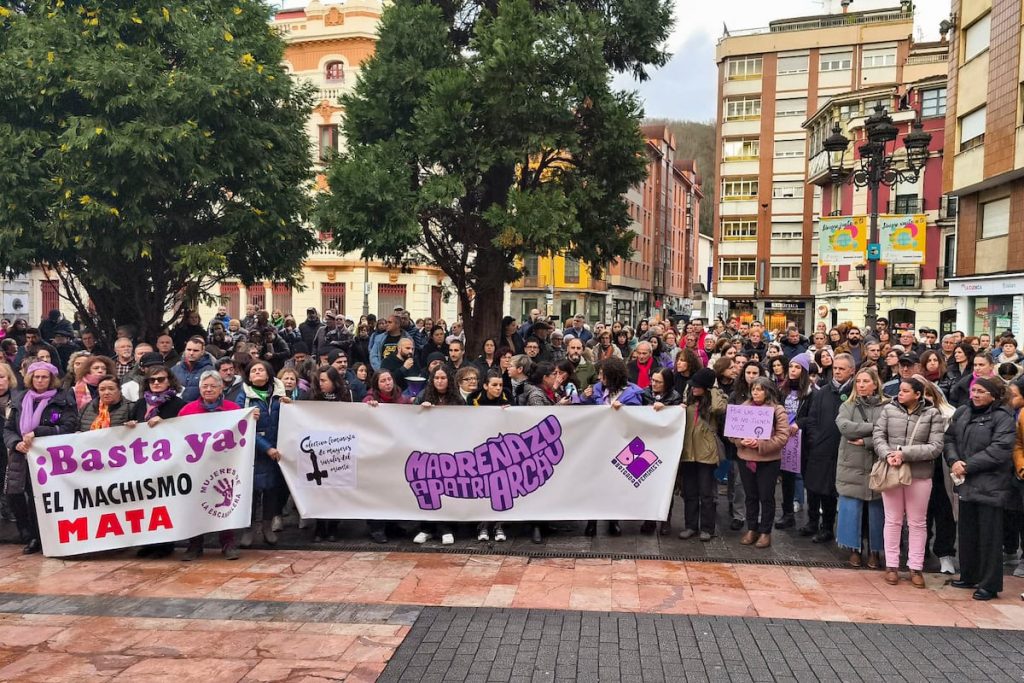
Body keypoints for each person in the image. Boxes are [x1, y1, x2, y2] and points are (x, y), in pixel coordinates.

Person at [943, 376, 1015, 600]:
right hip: (965, 482)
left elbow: (1000, 449)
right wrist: (954, 461)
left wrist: (968, 466)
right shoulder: (963, 412)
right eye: (974, 390)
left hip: (990, 485)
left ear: (993, 395)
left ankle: (990, 584)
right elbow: (949, 439)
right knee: (967, 533)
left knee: (989, 536)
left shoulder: (1002, 417)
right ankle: (969, 574)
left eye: (981, 391)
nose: (975, 395)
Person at [873, 377, 946, 588]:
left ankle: (915, 566)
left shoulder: (932, 414)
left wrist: (904, 453)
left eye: (905, 391)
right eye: (900, 390)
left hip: (919, 473)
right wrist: (888, 454)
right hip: (892, 470)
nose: (900, 394)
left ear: (918, 394)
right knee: (893, 520)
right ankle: (892, 565)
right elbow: (879, 435)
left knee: (917, 521)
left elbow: (935, 446)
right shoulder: (888, 410)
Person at [3, 362, 77, 554]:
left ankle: (44, 537)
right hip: (22, 457)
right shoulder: (21, 399)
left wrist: (38, 431)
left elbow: (69, 425)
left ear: (51, 379)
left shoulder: (62, 399)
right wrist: (15, 442)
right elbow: (9, 428)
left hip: (49, 459)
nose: (40, 380)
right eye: (36, 376)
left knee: (41, 500)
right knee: (17, 496)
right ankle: (30, 535)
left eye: (44, 377)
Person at [176, 371, 243, 560]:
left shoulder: (233, 408)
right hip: (196, 467)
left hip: (225, 465)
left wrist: (251, 416)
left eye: (213, 386)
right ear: (199, 389)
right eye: (205, 386)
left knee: (226, 504)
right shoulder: (187, 410)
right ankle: (195, 545)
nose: (208, 390)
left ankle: (228, 544)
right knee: (194, 505)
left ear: (221, 388)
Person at [575, 357, 644, 539]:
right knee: (594, 482)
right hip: (596, 444)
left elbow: (637, 417)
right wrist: (584, 397)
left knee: (614, 483)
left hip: (619, 446)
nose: (599, 377)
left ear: (612, 376)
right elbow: (579, 410)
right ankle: (592, 521)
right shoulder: (596, 390)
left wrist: (626, 409)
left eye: (602, 374)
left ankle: (613, 520)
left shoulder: (632, 393)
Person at [127, 365, 186, 558]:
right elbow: (128, 425)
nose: (156, 383)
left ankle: (165, 544)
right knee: (145, 502)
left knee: (165, 502)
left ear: (170, 380)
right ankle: (149, 542)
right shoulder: (140, 404)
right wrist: (130, 426)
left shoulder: (178, 404)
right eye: (152, 380)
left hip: (168, 463)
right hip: (142, 462)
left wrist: (165, 423)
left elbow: (185, 429)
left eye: (161, 379)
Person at [835, 368, 889, 569]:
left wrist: (867, 441)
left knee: (877, 510)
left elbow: (891, 432)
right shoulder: (847, 405)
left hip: (877, 463)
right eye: (858, 381)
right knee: (851, 508)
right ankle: (853, 549)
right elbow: (845, 427)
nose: (861, 385)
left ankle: (875, 551)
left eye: (866, 381)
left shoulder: (888, 406)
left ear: (875, 384)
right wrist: (875, 428)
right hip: (851, 464)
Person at [800, 353, 856, 544]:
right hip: (819, 448)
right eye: (836, 368)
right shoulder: (823, 391)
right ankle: (812, 522)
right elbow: (812, 418)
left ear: (851, 371)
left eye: (842, 368)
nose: (838, 372)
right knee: (814, 486)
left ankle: (827, 527)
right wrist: (815, 439)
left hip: (842, 449)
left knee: (830, 491)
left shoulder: (855, 392)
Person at [729, 377, 789, 549]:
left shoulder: (777, 410)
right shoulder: (743, 408)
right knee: (751, 496)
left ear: (768, 391)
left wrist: (761, 444)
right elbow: (732, 433)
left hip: (768, 461)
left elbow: (783, 436)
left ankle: (765, 532)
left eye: (760, 389)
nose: (755, 392)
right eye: (754, 389)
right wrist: (741, 441)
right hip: (746, 458)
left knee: (766, 496)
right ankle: (752, 528)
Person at [238, 360, 289, 548]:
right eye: (254, 370)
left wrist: (291, 406)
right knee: (251, 492)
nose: (257, 372)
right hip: (254, 452)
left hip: (278, 451)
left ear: (269, 374)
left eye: (261, 369)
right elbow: (241, 425)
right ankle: (248, 529)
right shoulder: (243, 395)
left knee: (271, 491)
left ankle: (267, 528)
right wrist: (266, 447)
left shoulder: (280, 394)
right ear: (248, 376)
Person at [678, 368, 725, 541]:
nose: (693, 388)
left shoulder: (714, 401)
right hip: (688, 453)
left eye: (697, 386)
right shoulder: (688, 402)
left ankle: (707, 528)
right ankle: (690, 526)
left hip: (707, 454)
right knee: (689, 493)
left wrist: (712, 388)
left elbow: (720, 408)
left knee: (707, 494)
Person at [776, 354, 814, 531]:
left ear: (804, 371)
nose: (793, 370)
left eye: (797, 367)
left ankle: (812, 517)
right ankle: (787, 514)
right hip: (785, 439)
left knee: (808, 478)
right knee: (787, 479)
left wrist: (799, 424)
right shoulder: (782, 390)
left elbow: (813, 416)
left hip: (803, 442)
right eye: (791, 366)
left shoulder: (811, 392)